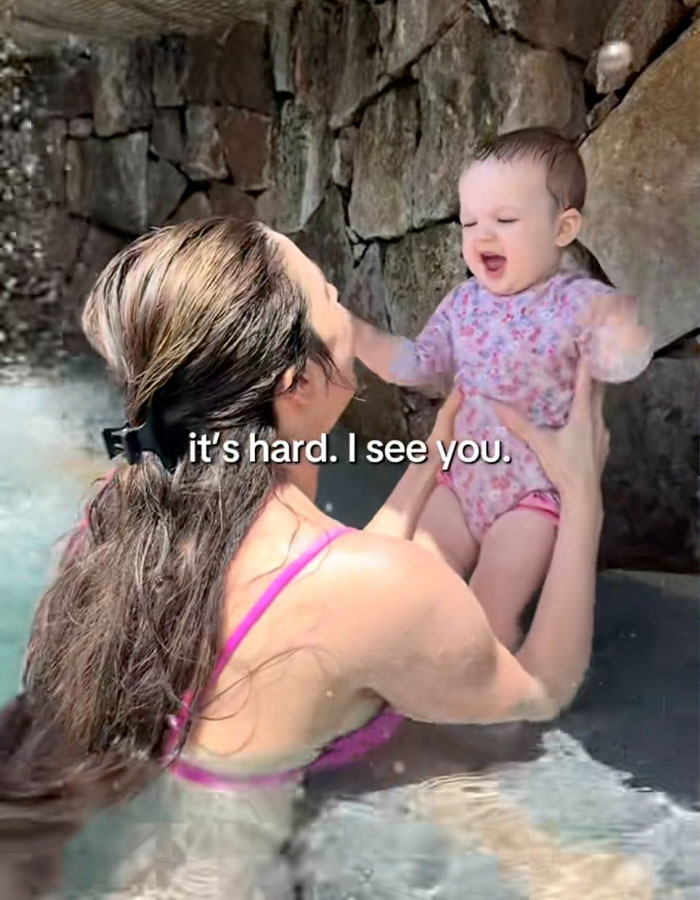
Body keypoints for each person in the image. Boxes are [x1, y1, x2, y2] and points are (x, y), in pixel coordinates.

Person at [0, 217, 608, 899]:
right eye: (329, 294)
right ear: (296, 384)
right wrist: (582, 493)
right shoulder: (379, 589)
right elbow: (539, 692)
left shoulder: (122, 512)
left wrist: (434, 459)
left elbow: (328, 588)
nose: (347, 309)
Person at [352, 126, 652, 650]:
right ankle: (415, 669)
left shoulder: (578, 301)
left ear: (563, 228)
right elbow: (417, 363)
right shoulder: (464, 303)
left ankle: (495, 700)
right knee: (418, 580)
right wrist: (357, 335)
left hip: (533, 496)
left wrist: (625, 338)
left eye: (505, 220)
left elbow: (624, 357)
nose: (482, 235)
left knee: (490, 607)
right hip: (462, 481)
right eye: (469, 222)